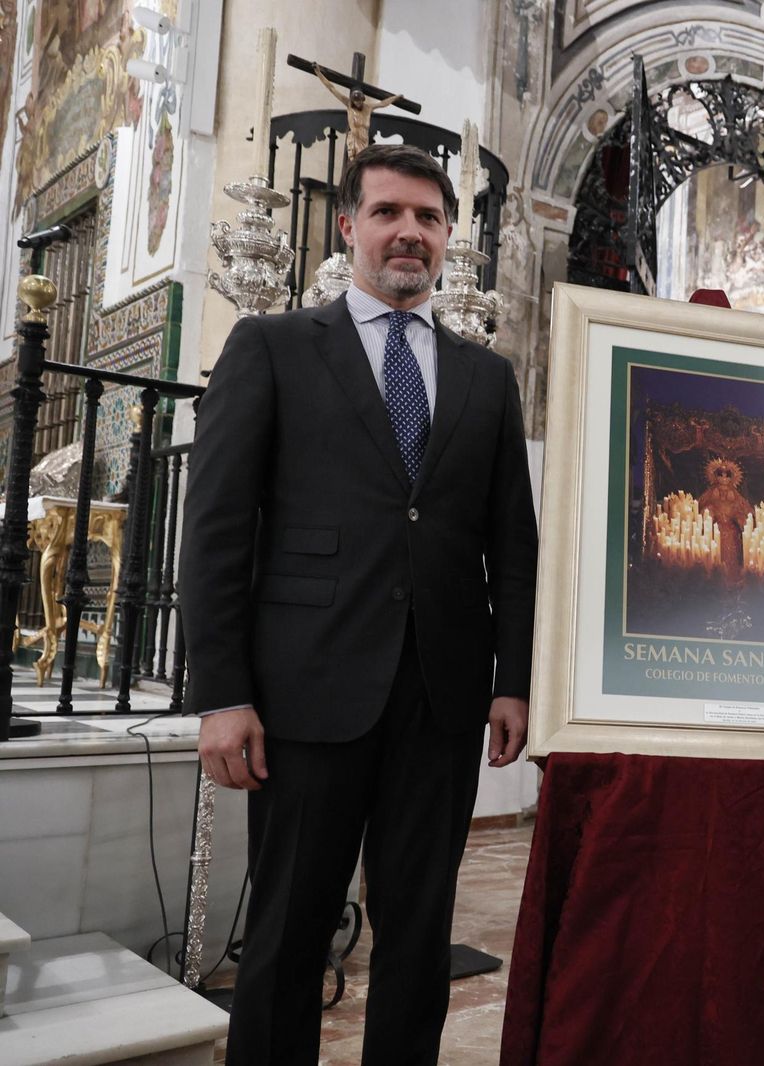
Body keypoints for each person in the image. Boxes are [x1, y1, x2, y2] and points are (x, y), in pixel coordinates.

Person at [182, 143, 539, 1065]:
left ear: (449, 235)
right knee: (288, 935)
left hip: (442, 699)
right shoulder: (273, 348)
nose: (408, 233)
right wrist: (221, 693)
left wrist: (515, 679)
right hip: (307, 695)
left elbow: (514, 542)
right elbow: (217, 527)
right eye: (388, 213)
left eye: (427, 217)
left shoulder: (485, 378)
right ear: (349, 227)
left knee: (419, 939)